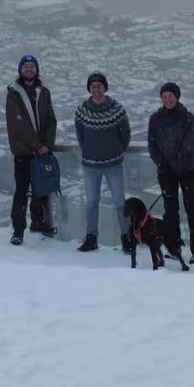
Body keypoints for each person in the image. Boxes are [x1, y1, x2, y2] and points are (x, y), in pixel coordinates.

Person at [147, 81, 194, 265]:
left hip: (187, 169)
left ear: (177, 97)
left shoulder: (188, 117)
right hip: (166, 172)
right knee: (170, 212)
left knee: (193, 209)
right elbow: (152, 145)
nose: (167, 100)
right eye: (164, 97)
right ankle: (174, 248)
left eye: (170, 96)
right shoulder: (155, 119)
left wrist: (175, 163)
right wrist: (163, 164)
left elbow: (189, 144)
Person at [74, 71, 132, 252]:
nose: (96, 89)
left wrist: (116, 151)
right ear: (89, 89)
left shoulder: (117, 109)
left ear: (105, 87)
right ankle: (91, 237)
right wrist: (89, 151)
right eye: (92, 86)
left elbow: (126, 134)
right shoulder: (82, 110)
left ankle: (127, 237)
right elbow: (80, 135)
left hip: (113, 164)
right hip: (90, 165)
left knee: (119, 202)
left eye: (99, 85)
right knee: (92, 201)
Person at [6, 54, 58, 245]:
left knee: (41, 190)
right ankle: (18, 230)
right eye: (26, 66)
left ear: (37, 70)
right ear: (20, 70)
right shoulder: (14, 92)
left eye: (32, 66)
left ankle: (40, 224)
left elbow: (51, 121)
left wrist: (48, 144)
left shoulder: (44, 92)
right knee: (21, 191)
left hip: (42, 152)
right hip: (23, 151)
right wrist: (38, 146)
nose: (29, 69)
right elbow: (17, 124)